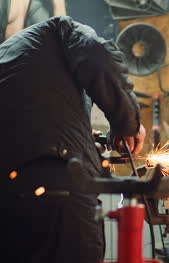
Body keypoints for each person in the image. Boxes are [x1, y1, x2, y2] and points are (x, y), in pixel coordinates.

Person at [0, 16, 146, 263]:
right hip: (59, 193)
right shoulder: (56, 30)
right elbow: (98, 54)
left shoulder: (10, 62)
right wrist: (127, 123)